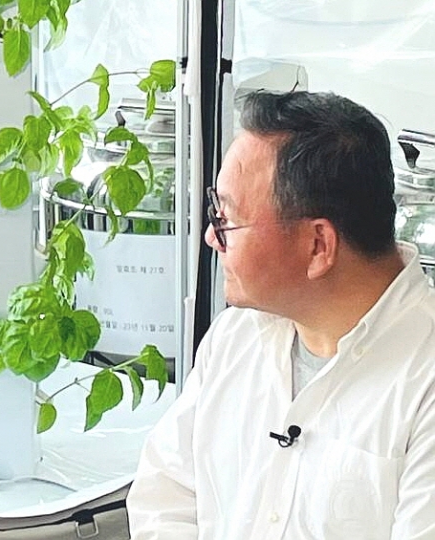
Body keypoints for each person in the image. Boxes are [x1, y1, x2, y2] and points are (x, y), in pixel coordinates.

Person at [127, 91, 435, 539]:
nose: (212, 237)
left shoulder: (423, 380)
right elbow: (165, 496)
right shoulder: (236, 337)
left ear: (317, 246)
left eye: (226, 219)